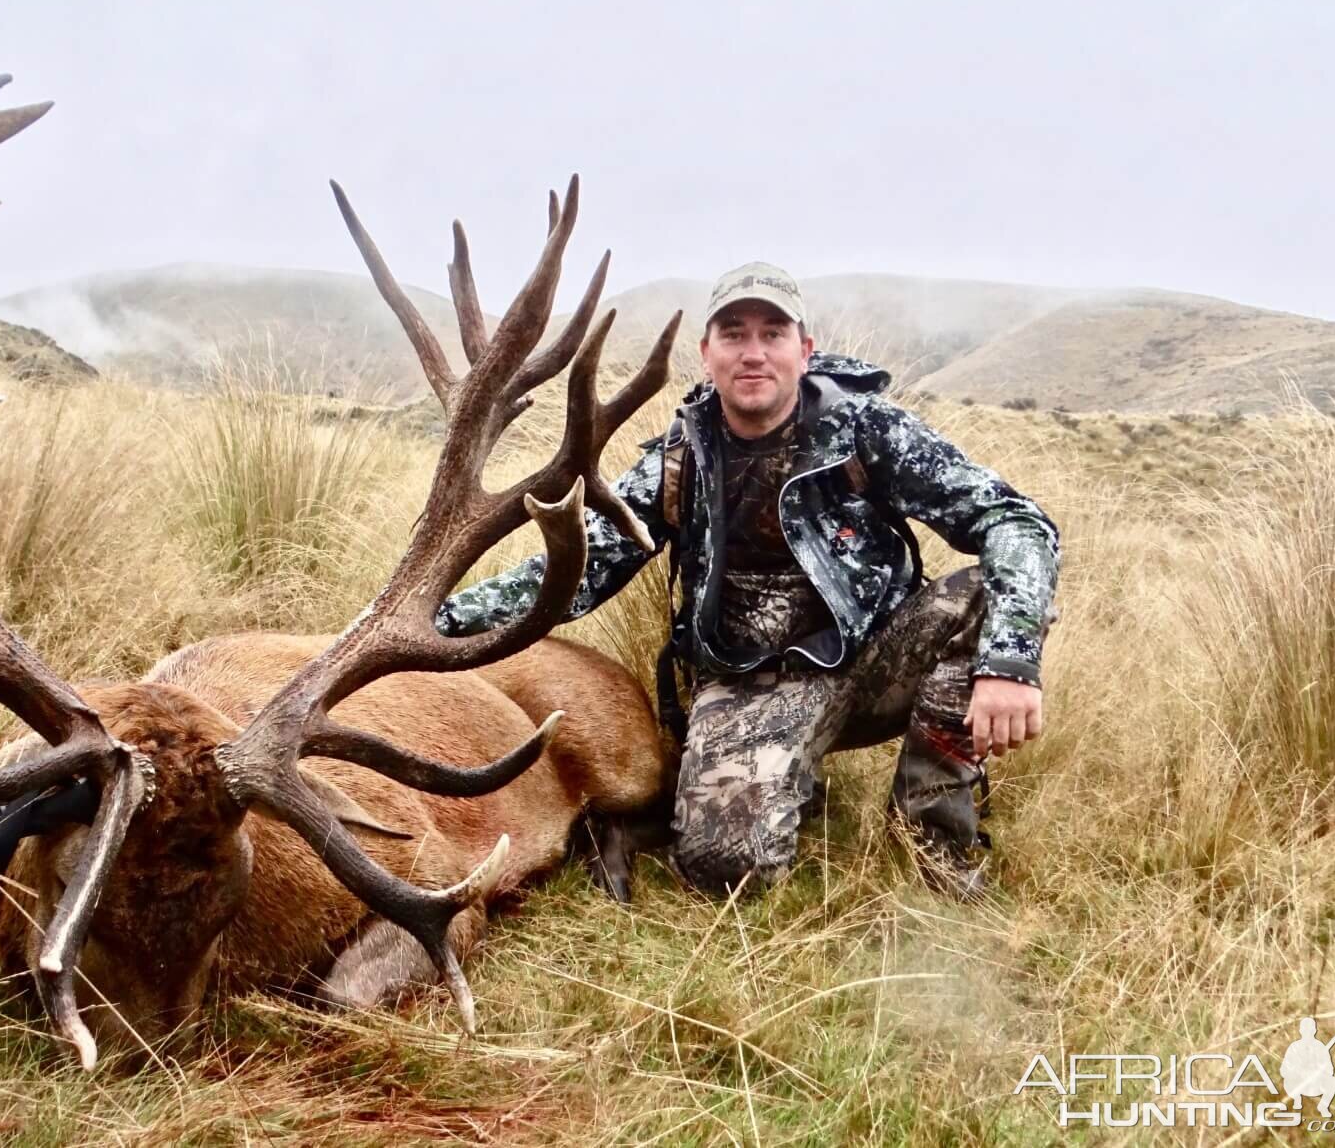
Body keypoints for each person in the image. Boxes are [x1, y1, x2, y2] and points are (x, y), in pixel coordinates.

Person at [436, 263, 1060, 900]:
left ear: (804, 349)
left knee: (991, 592)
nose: (753, 352)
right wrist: (442, 625)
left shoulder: (867, 429)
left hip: (877, 660)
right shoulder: (679, 461)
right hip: (751, 687)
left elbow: (1017, 522)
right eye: (734, 334)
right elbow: (575, 570)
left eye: (773, 333)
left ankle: (932, 836)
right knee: (723, 871)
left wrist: (1009, 662)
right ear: (707, 354)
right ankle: (783, 775)